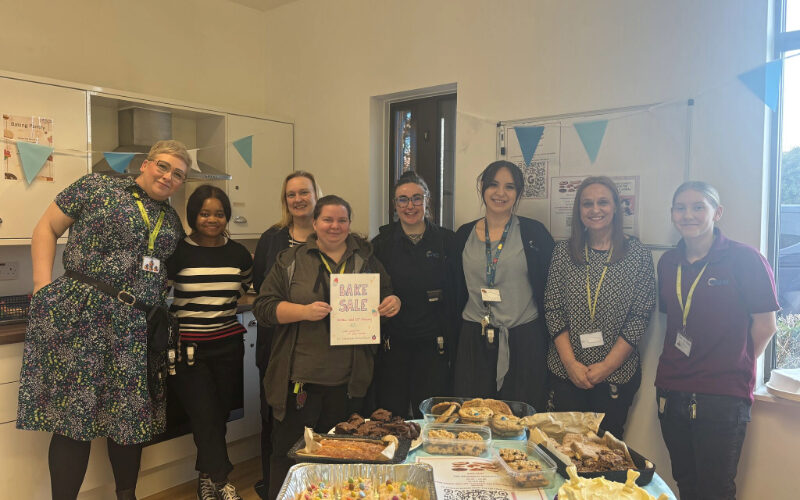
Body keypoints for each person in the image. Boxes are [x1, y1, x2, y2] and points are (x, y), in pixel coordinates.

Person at [16, 140, 190, 500]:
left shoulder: (171, 219)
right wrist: (42, 287)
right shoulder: (96, 186)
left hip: (137, 328)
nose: (168, 176)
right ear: (145, 164)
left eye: (178, 175)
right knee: (73, 419)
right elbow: (47, 227)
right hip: (82, 317)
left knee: (129, 419)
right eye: (163, 166)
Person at [253, 195, 401, 499]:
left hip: (348, 382)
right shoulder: (290, 261)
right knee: (291, 458)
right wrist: (302, 311)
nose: (335, 226)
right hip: (300, 380)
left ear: (349, 223)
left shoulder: (366, 260)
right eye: (328, 220)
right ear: (315, 223)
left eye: (342, 220)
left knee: (343, 461)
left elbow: (388, 297)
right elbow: (264, 308)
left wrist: (393, 303)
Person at [655, 181, 778, 500]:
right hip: (672, 389)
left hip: (723, 395)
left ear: (717, 212)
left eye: (699, 207)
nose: (688, 214)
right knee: (685, 481)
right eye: (680, 207)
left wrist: (736, 365)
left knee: (716, 490)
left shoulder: (745, 259)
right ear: (672, 214)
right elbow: (677, 317)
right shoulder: (668, 263)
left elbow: (765, 326)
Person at [544, 176, 656, 439]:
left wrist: (606, 366)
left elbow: (640, 316)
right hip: (567, 373)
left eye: (603, 202)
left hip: (616, 374)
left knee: (606, 454)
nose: (595, 210)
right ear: (578, 210)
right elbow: (552, 309)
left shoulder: (637, 253)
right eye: (587, 204)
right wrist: (571, 364)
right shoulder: (563, 252)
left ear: (616, 206)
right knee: (566, 450)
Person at [166, 185, 253, 500]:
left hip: (228, 344)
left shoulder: (239, 253)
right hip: (189, 349)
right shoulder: (177, 252)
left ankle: (206, 477)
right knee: (204, 414)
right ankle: (221, 481)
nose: (212, 219)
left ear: (226, 216)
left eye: (218, 213)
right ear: (193, 215)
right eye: (205, 213)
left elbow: (244, 287)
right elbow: (161, 292)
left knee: (218, 416)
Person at [453, 160, 555, 412]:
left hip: (523, 340)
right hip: (474, 339)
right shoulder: (462, 235)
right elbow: (453, 288)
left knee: (519, 421)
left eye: (509, 187)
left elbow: (550, 289)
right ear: (482, 187)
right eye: (494, 185)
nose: (500, 193)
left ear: (518, 193)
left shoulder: (535, 233)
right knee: (473, 419)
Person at [251, 171, 320, 498]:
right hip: (276, 346)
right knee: (274, 420)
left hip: (319, 348)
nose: (298, 199)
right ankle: (272, 487)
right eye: (291, 194)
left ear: (316, 195)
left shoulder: (328, 234)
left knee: (314, 422)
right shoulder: (271, 238)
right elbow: (260, 289)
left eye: (304, 192)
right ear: (285, 200)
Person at [371, 171, 459, 418]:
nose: (410, 206)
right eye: (403, 199)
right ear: (395, 204)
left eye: (416, 198)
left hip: (434, 347)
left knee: (432, 417)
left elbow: (456, 294)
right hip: (393, 346)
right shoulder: (380, 244)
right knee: (393, 418)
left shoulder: (447, 241)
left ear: (427, 200)